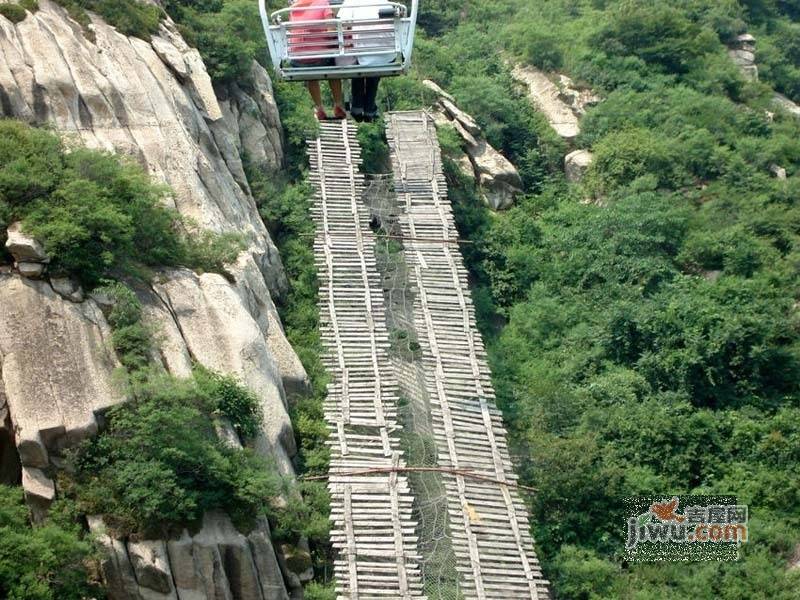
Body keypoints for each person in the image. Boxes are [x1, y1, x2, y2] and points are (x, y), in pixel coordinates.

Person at [336, 0, 397, 122]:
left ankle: (358, 106)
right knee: (372, 65)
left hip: (365, 54)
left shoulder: (351, 2)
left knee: (358, 62)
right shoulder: (385, 3)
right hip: (387, 55)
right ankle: (369, 107)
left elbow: (341, 24)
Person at [289, 0, 346, 120]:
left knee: (311, 72)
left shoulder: (294, 7)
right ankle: (338, 104)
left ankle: (319, 107)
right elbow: (331, 32)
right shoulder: (323, 3)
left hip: (298, 61)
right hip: (320, 58)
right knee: (333, 63)